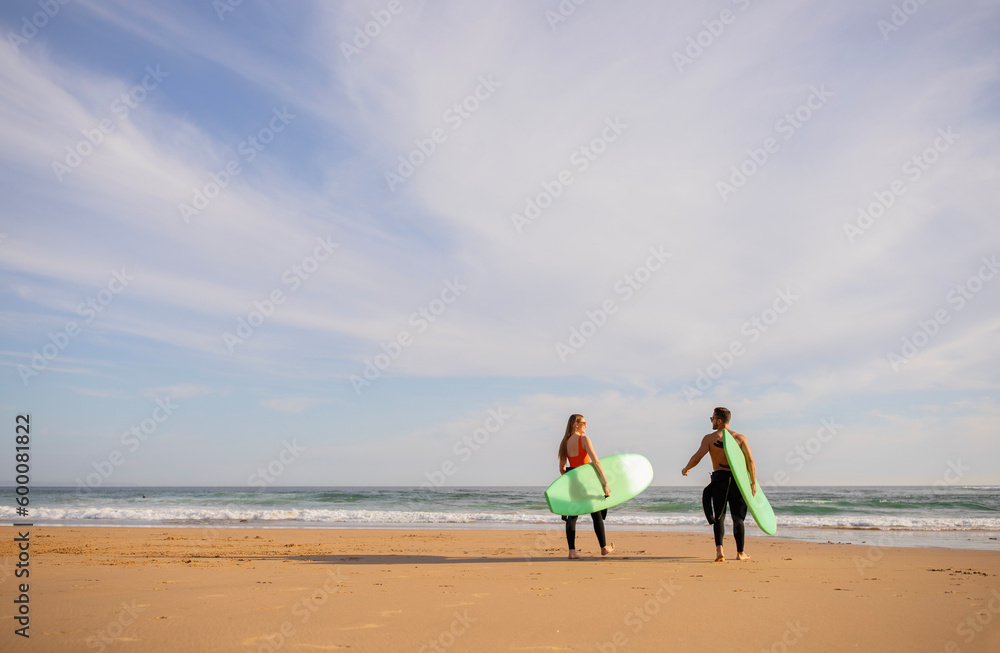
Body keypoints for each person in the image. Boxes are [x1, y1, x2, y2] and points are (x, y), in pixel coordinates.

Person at [681, 407, 757, 562]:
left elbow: (697, 457)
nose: (711, 421)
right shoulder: (740, 438)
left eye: (712, 418)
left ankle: (719, 551)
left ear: (719, 420)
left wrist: (686, 467)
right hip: (737, 481)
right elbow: (750, 461)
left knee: (719, 517)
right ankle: (740, 553)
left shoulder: (709, 438)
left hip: (719, 480)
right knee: (738, 519)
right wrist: (753, 483)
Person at [558, 414, 615, 559]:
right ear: (576, 424)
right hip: (586, 477)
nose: (585, 425)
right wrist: (605, 482)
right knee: (596, 514)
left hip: (572, 477)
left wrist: (569, 481)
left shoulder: (564, 443)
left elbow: (562, 468)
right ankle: (603, 548)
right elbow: (595, 461)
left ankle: (571, 551)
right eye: (583, 422)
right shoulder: (584, 439)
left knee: (572, 516)